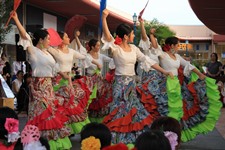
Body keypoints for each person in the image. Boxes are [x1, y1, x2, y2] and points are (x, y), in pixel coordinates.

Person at [101, 9, 173, 145]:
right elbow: (107, 35)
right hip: (120, 85)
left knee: (133, 111)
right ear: (126, 36)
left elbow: (147, 61)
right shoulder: (116, 49)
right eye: (132, 33)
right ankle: (117, 141)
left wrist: (164, 71)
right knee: (120, 112)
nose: (134, 35)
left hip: (132, 85)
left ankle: (131, 140)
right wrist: (104, 18)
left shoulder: (134, 49)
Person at [11, 11, 72, 149]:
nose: (50, 41)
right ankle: (35, 142)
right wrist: (16, 18)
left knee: (50, 113)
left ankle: (50, 141)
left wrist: (66, 77)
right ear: (41, 40)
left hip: (49, 86)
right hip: (38, 86)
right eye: (48, 39)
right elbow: (25, 35)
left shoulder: (47, 52)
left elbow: (55, 68)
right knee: (39, 113)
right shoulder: (33, 51)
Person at [159, 36, 222, 142]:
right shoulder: (162, 55)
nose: (179, 47)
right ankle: (162, 135)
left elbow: (188, 65)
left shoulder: (177, 57)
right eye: (177, 45)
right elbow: (151, 56)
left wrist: (200, 74)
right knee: (165, 110)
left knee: (178, 110)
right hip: (164, 86)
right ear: (171, 45)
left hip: (176, 85)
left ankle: (173, 136)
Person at [47, 30, 101, 134]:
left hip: (69, 80)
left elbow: (84, 56)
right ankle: (62, 129)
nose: (68, 38)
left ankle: (74, 129)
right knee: (60, 105)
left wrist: (96, 63)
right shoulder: (54, 51)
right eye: (66, 37)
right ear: (61, 39)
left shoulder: (71, 51)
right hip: (58, 80)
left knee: (72, 104)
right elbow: (48, 56)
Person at [136, 17, 168, 117]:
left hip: (158, 75)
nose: (151, 41)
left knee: (157, 98)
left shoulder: (157, 49)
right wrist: (141, 23)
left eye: (153, 39)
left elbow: (154, 45)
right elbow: (145, 36)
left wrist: (152, 34)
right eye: (149, 39)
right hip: (148, 75)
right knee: (147, 97)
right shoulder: (145, 49)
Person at [86, 38, 114, 123]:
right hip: (90, 80)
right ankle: (90, 120)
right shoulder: (87, 56)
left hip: (100, 81)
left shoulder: (101, 56)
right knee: (91, 99)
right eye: (97, 45)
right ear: (92, 47)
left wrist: (114, 52)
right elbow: (86, 64)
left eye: (99, 45)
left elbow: (111, 60)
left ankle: (100, 120)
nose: (99, 47)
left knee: (100, 98)